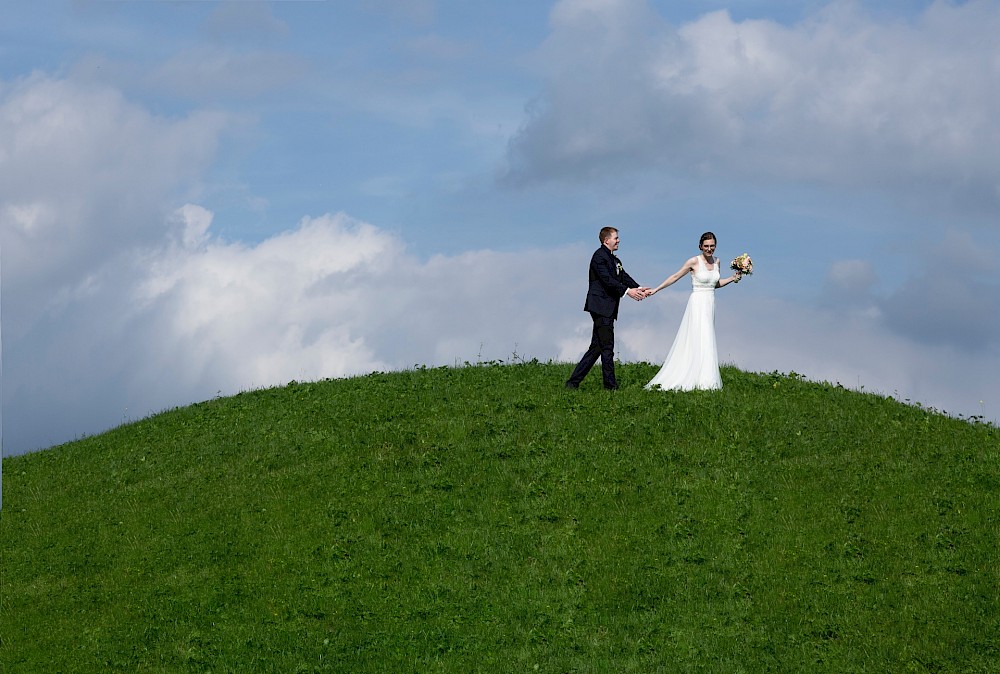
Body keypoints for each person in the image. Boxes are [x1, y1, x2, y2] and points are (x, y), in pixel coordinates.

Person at [644, 231, 741, 391]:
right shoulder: (693, 262)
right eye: (706, 246)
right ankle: (695, 377)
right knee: (698, 337)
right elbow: (675, 276)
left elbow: (714, 283)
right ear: (700, 247)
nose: (709, 249)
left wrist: (732, 278)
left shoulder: (717, 261)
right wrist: (656, 289)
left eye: (712, 246)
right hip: (697, 303)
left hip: (710, 303)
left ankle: (707, 380)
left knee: (708, 338)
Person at [566, 227, 650, 390]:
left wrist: (639, 288)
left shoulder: (614, 260)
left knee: (597, 346)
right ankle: (610, 386)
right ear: (606, 240)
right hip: (600, 306)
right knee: (607, 347)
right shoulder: (599, 257)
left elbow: (623, 276)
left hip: (608, 307)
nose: (618, 240)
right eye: (616, 238)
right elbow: (607, 280)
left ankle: (573, 382)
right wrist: (627, 292)